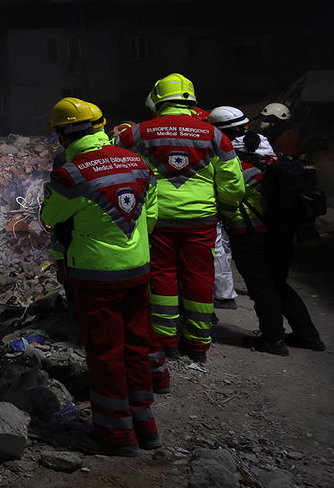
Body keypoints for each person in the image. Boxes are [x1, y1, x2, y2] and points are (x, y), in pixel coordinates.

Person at [40, 97, 161, 456]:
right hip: (137, 271)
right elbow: (150, 214)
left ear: (62, 136)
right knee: (138, 346)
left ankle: (116, 435)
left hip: (96, 277)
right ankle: (147, 426)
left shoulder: (71, 174)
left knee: (106, 353)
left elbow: (51, 216)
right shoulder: (138, 162)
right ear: (101, 125)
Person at [113, 73, 245, 364]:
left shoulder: (136, 133)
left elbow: (117, 167)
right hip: (201, 220)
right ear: (192, 99)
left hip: (158, 219)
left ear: (158, 99)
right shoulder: (215, 135)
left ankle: (166, 342)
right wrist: (228, 208)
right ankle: (198, 345)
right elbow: (233, 182)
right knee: (200, 276)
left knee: (162, 277)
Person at [207, 106, 325, 355]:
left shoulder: (232, 162)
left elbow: (228, 196)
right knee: (279, 283)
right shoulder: (270, 151)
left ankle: (273, 339)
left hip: (250, 233)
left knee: (261, 286)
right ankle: (309, 336)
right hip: (282, 229)